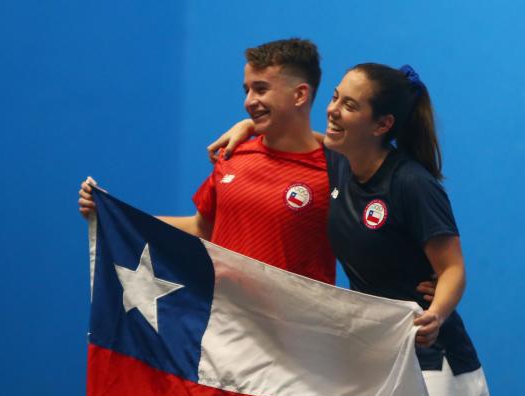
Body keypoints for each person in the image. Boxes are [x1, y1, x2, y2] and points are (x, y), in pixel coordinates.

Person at [211, 63, 495, 396]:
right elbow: (299, 137)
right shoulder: (339, 161)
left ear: (383, 125)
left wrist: (436, 315)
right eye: (336, 97)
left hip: (435, 364)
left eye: (350, 104)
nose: (334, 111)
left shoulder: (411, 184)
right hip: (375, 363)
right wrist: (247, 125)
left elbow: (453, 270)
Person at [79, 38, 334, 284]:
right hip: (226, 324)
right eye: (246, 90)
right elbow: (200, 227)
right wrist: (113, 216)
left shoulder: (337, 172)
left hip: (295, 327)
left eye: (261, 89)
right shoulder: (232, 155)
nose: (248, 102)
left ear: (300, 95)